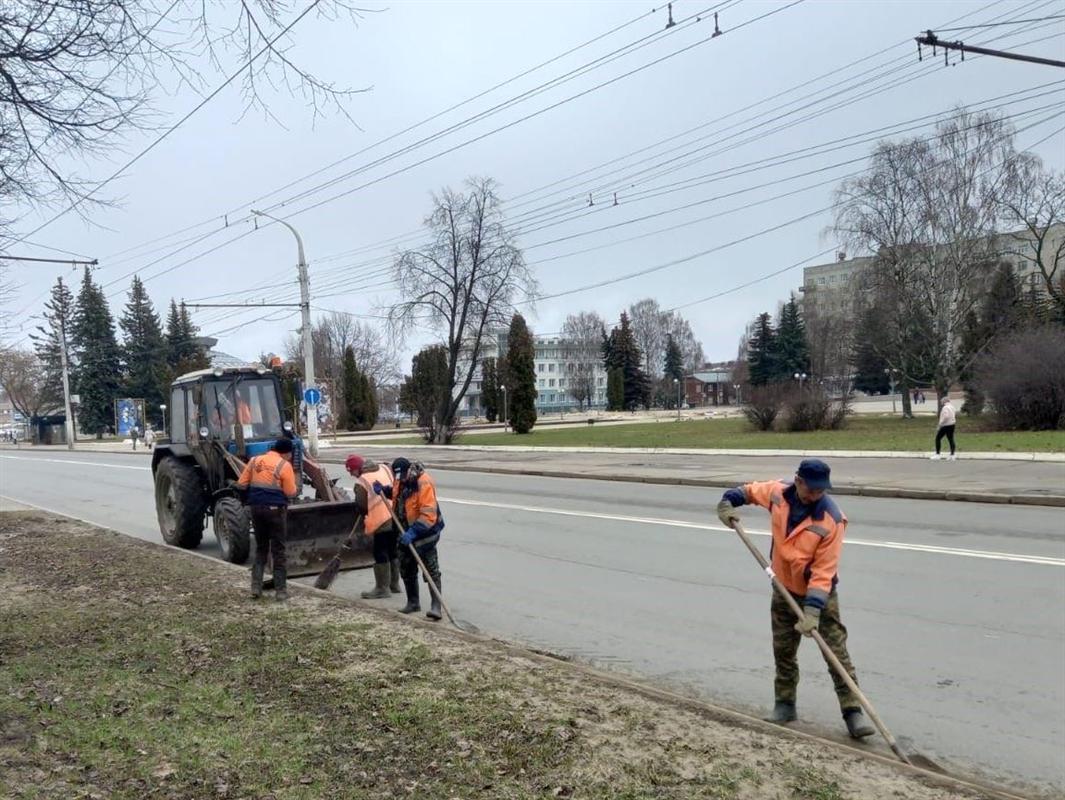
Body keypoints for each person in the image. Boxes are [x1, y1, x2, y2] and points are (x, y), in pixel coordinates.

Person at [716, 459, 875, 740]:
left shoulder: (832, 519)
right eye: (812, 489)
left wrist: (813, 611)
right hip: (783, 587)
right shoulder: (779, 493)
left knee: (835, 652)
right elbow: (749, 491)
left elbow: (824, 572)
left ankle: (853, 713)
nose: (817, 495)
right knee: (784, 649)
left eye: (821, 490)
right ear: (798, 481)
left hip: (819, 595)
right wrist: (727, 503)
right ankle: (785, 705)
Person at [373, 457, 445, 620]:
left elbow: (428, 513)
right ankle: (413, 602)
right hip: (403, 532)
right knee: (406, 567)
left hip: (425, 533)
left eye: (403, 476)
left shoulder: (424, 482)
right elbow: (398, 495)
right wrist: (384, 490)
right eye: (398, 477)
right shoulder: (401, 479)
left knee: (430, 568)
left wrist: (414, 532)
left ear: (409, 471)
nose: (401, 479)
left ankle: (436, 606)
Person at [237, 438, 299, 601]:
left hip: (256, 510)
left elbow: (242, 484)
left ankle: (256, 587)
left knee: (261, 548)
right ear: (286, 453)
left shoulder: (254, 460)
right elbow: (291, 492)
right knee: (278, 550)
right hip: (275, 512)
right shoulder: (284, 465)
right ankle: (281, 591)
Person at [345, 454, 400, 599]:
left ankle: (382, 588)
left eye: (351, 471)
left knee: (380, 552)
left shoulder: (361, 481)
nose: (351, 474)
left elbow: (362, 505)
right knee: (392, 550)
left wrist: (362, 512)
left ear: (358, 469)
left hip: (380, 520)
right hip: (395, 517)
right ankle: (394, 584)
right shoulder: (383, 468)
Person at [281, 421, 305, 496]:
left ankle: (295, 492)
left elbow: (303, 449)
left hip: (295, 463)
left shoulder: (297, 438)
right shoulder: (281, 439)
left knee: (296, 476)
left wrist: (311, 458)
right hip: (287, 464)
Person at [932, 396, 957, 461]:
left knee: (938, 438)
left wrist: (940, 424)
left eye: (942, 402)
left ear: (944, 401)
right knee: (951, 439)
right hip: (952, 424)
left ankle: (937, 454)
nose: (941, 403)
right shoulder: (952, 407)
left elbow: (946, 416)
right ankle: (952, 455)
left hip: (946, 425)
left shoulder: (945, 408)